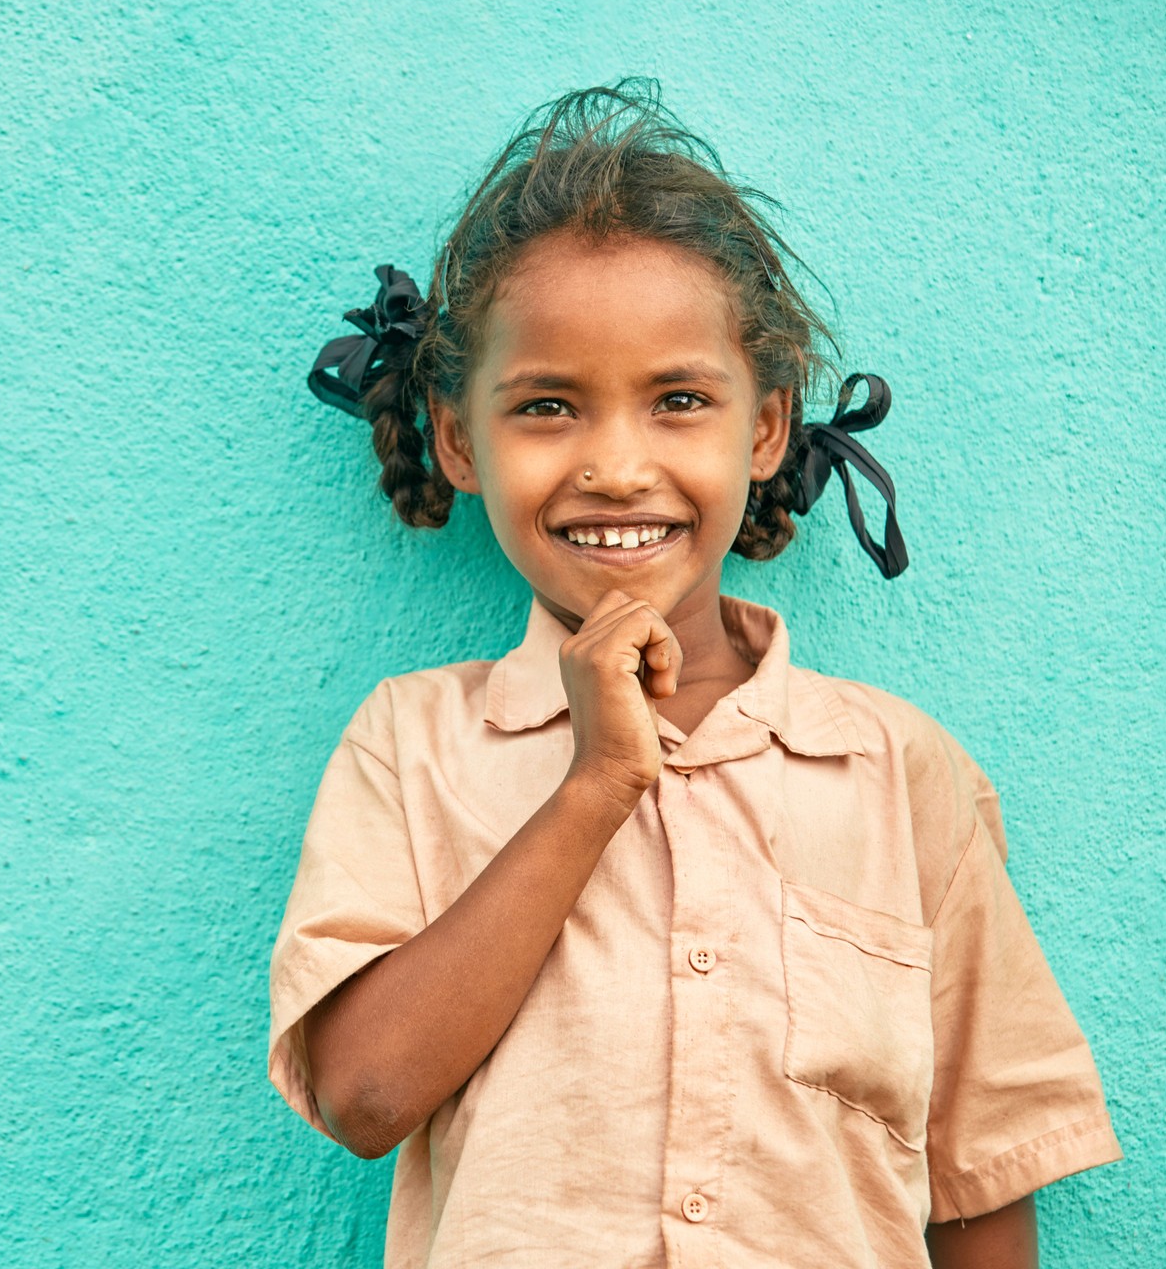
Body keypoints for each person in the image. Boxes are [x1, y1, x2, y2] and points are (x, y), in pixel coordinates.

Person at [266, 80, 1120, 1268]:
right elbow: (363, 1092)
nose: (618, 466)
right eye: (547, 406)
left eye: (679, 401)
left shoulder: (897, 771)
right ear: (459, 440)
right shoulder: (411, 743)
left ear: (765, 429)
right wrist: (593, 785)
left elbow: (980, 1173)